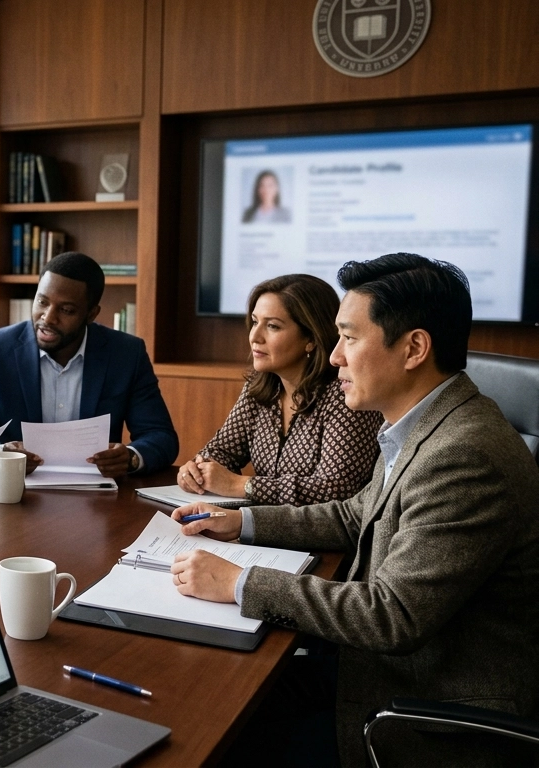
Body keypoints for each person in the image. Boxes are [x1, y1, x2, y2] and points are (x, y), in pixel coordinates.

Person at [171, 254, 539, 767]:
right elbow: (352, 515)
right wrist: (240, 521)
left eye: (349, 337)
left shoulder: (464, 454)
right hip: (378, 671)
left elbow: (392, 615)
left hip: (423, 713)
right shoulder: (422, 426)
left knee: (215, 742)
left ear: (413, 348)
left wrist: (238, 582)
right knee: (208, 696)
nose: (336, 356)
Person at [0, 251, 178, 478]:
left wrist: (131, 457)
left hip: (99, 498)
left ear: (91, 314)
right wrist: (2, 454)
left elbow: (161, 436)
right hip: (17, 491)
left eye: (66, 310)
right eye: (42, 302)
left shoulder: (126, 354)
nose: (48, 318)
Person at [177, 274, 381, 505]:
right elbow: (221, 452)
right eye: (255, 322)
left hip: (324, 537)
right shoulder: (261, 387)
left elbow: (337, 488)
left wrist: (242, 485)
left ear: (311, 339)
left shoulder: (346, 394)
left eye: (272, 326)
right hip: (266, 526)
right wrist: (195, 472)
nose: (255, 336)